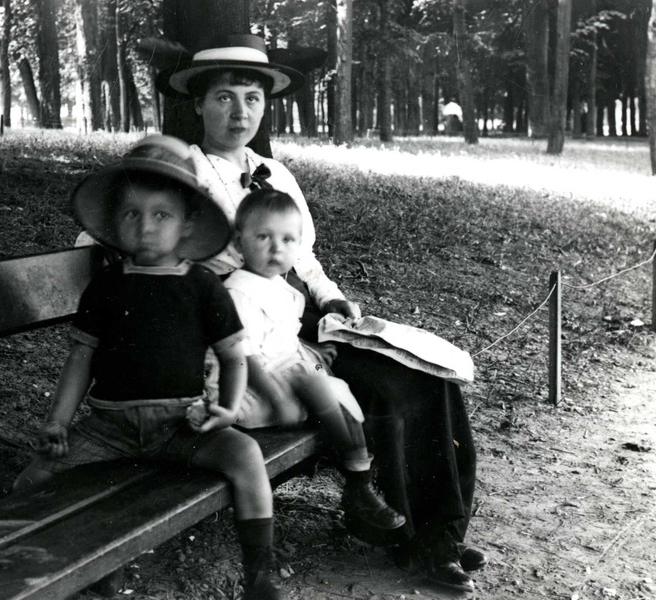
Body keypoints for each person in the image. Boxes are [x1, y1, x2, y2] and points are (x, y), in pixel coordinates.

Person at [156, 34, 484, 593]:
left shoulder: (274, 173)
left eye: (252, 99)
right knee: (380, 388)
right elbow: (126, 238)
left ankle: (439, 534)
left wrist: (330, 297)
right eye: (225, 98)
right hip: (235, 329)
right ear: (198, 104)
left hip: (296, 317)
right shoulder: (182, 170)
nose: (239, 112)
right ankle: (404, 531)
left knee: (427, 376)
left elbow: (302, 254)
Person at [14, 135, 283, 600]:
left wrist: (226, 408)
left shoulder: (202, 287)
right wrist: (58, 421)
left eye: (162, 215)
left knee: (245, 456)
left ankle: (260, 570)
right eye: (132, 214)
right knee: (32, 479)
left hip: (181, 425)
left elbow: (234, 355)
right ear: (116, 223)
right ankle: (58, 565)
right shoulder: (105, 287)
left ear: (186, 224)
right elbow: (80, 358)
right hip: (108, 431)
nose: (147, 227)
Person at [226, 188, 406, 535]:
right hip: (261, 379)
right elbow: (244, 355)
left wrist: (309, 346)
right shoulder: (239, 292)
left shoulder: (279, 286)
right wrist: (277, 397)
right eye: (263, 237)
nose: (276, 248)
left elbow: (281, 334)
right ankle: (358, 481)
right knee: (320, 383)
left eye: (287, 239)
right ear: (238, 241)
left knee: (335, 383)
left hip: (290, 360)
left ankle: (359, 476)